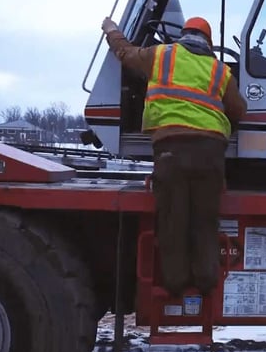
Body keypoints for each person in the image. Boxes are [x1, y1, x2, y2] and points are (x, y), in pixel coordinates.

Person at [101, 16, 247, 298]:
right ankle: (206, 281)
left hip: (171, 150)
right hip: (210, 152)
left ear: (184, 35)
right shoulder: (219, 70)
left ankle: (176, 283)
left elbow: (125, 53)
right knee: (205, 220)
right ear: (209, 42)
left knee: (173, 219)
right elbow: (240, 110)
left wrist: (111, 30)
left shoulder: (161, 56)